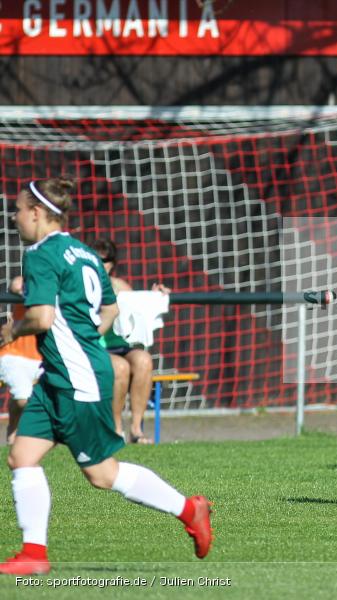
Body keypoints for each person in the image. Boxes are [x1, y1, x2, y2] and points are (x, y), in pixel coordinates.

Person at [0, 178, 211, 575]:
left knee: (102, 474)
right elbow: (111, 311)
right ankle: (34, 554)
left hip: (77, 376)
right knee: (21, 456)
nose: (13, 216)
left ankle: (189, 509)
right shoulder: (84, 252)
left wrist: (13, 332)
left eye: (17, 208)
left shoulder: (40, 253)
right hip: (61, 372)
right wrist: (83, 341)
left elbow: (42, 318)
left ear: (37, 213)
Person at [90, 239, 169, 444]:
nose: (101, 264)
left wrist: (155, 296)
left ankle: (136, 429)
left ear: (113, 263)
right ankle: (116, 428)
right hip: (93, 347)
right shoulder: (83, 286)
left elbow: (138, 308)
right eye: (96, 260)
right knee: (120, 367)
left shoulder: (121, 287)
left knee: (143, 359)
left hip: (120, 346)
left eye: (106, 260)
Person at [0, 277, 43, 444]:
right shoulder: (31, 281)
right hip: (14, 353)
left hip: (46, 356)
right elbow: (16, 285)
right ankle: (13, 427)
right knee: (23, 398)